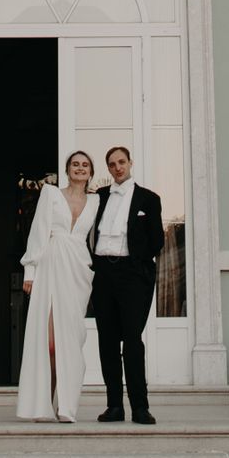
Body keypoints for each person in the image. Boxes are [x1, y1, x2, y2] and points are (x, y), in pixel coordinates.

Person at [14, 151, 98, 423]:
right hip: (51, 266)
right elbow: (38, 232)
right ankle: (43, 403)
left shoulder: (97, 201)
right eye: (76, 164)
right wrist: (30, 270)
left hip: (78, 271)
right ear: (67, 169)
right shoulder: (50, 194)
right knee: (49, 343)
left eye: (85, 165)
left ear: (91, 172)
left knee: (72, 340)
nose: (80, 168)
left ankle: (66, 406)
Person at [86, 145, 162, 424]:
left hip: (132, 274)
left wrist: (137, 263)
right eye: (112, 164)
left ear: (130, 163)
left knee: (132, 340)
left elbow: (157, 241)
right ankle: (114, 406)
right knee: (106, 341)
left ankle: (140, 407)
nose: (117, 167)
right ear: (108, 169)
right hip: (103, 273)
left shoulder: (149, 199)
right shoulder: (100, 197)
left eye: (121, 162)